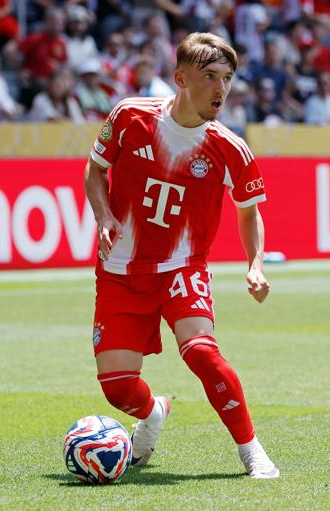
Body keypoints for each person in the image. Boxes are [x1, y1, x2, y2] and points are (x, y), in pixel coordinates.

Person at [84, 32, 279, 479]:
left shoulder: (230, 147)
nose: (220, 88)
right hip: (120, 269)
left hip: (182, 266)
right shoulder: (130, 116)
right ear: (181, 78)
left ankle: (251, 450)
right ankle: (153, 412)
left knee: (202, 353)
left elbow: (249, 212)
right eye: (210, 76)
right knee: (117, 389)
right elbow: (95, 169)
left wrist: (255, 263)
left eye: (227, 78)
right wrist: (104, 214)